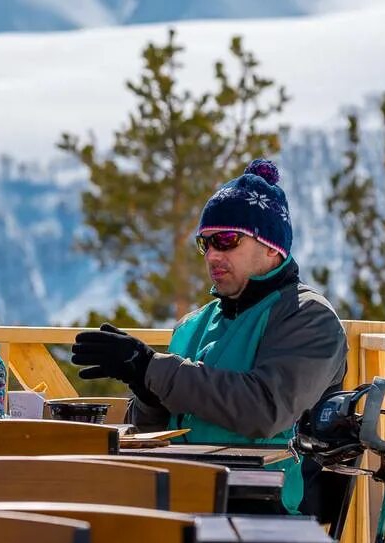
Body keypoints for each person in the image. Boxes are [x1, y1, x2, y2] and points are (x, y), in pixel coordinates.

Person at [69, 159, 346, 512]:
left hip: (259, 509)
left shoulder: (308, 317)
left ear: (272, 247)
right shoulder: (192, 326)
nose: (213, 254)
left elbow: (263, 409)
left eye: (227, 240)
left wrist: (150, 368)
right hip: (183, 497)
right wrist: (146, 392)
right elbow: (153, 433)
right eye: (206, 244)